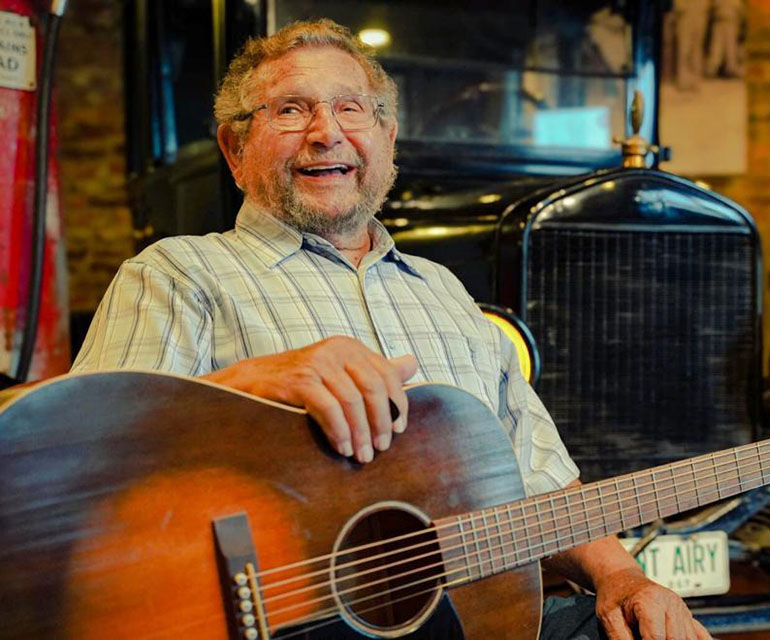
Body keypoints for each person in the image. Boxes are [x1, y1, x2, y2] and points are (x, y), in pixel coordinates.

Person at [72, 19, 711, 640]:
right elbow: (78, 467)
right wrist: (251, 383)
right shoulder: (180, 273)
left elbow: (538, 477)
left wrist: (622, 575)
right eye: (291, 110)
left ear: (387, 138)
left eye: (353, 109)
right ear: (235, 150)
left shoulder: (446, 293)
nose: (328, 134)